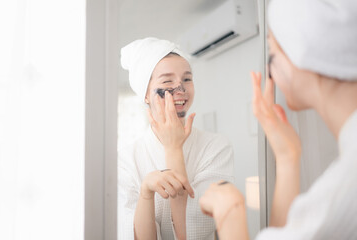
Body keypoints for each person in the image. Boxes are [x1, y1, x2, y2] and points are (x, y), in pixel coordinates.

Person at [199, 0, 357, 239]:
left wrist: (229, 212)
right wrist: (287, 157)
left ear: (304, 54)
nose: (271, 73)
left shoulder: (347, 182)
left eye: (272, 54)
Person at [118, 37, 235, 240]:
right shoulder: (125, 159)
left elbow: (192, 234)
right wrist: (146, 193)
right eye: (167, 81)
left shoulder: (216, 147)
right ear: (146, 94)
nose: (180, 88)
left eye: (187, 79)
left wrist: (173, 149)